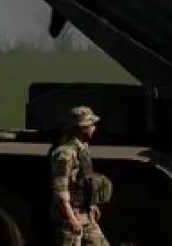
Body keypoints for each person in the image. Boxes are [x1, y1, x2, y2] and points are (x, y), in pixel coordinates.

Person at [50, 105, 108, 246]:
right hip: (70, 214)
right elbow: (60, 190)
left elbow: (85, 179)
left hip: (84, 213)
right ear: (82, 127)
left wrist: (92, 204)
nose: (95, 128)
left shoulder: (82, 149)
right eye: (91, 124)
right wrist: (71, 218)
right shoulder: (65, 153)